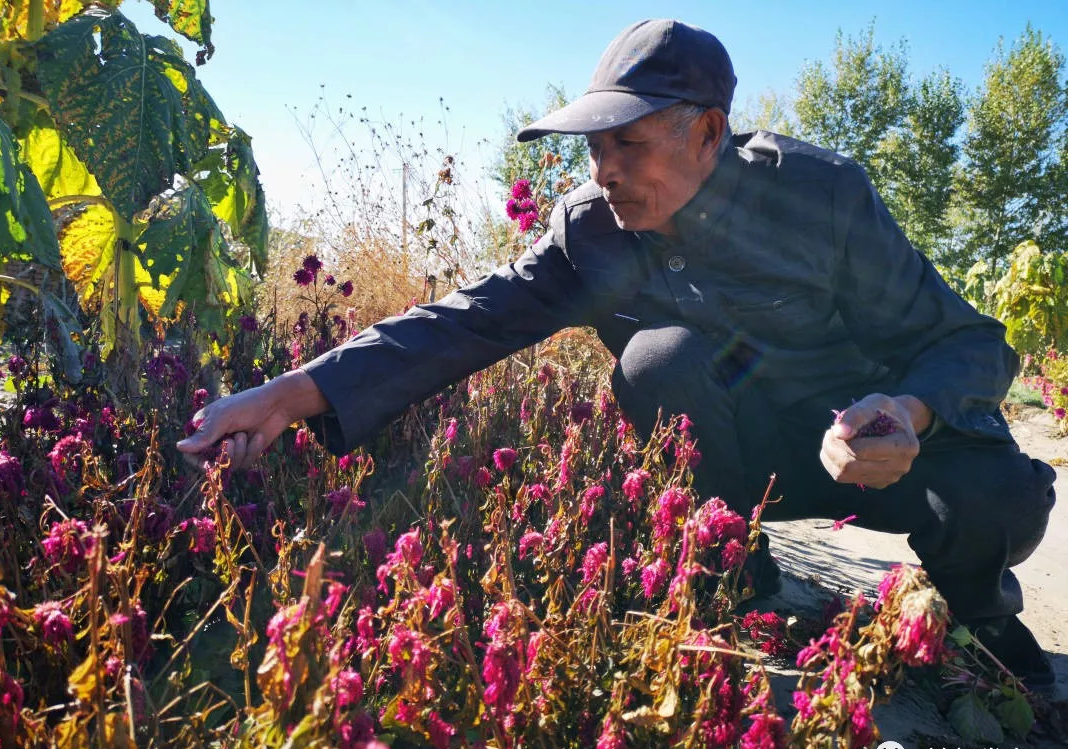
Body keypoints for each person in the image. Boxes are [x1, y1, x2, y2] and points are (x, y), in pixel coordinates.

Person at [177, 19, 1057, 693]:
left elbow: (970, 340)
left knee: (1000, 496)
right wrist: (294, 393)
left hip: (882, 454)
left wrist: (906, 414)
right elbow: (467, 321)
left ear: (709, 133)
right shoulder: (589, 233)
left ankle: (975, 616)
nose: (603, 170)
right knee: (655, 360)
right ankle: (733, 580)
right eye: (594, 147)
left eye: (627, 143)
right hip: (754, 461)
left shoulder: (820, 196)